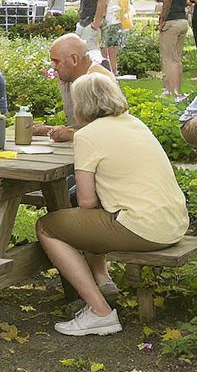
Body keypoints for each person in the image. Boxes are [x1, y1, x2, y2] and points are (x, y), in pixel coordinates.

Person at [37, 73, 189, 336]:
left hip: (143, 228)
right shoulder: (135, 124)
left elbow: (86, 201)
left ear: (80, 104)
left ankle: (100, 312)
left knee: (47, 226)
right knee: (92, 217)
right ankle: (99, 280)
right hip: (174, 222)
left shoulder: (88, 135)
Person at [33, 34, 114, 142]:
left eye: (56, 61)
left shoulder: (99, 81)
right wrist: (50, 129)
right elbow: (82, 126)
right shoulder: (69, 79)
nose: (53, 67)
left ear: (74, 59)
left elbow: (106, 132)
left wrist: (70, 134)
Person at [157, 0, 189, 101]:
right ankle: (177, 91)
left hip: (172, 22)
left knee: (168, 59)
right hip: (183, 20)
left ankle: (170, 91)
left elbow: (167, 2)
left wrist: (162, 20)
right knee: (176, 59)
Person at [100, 0, 133, 74]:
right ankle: (112, 71)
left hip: (111, 24)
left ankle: (111, 72)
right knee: (110, 51)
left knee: (108, 50)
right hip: (117, 23)